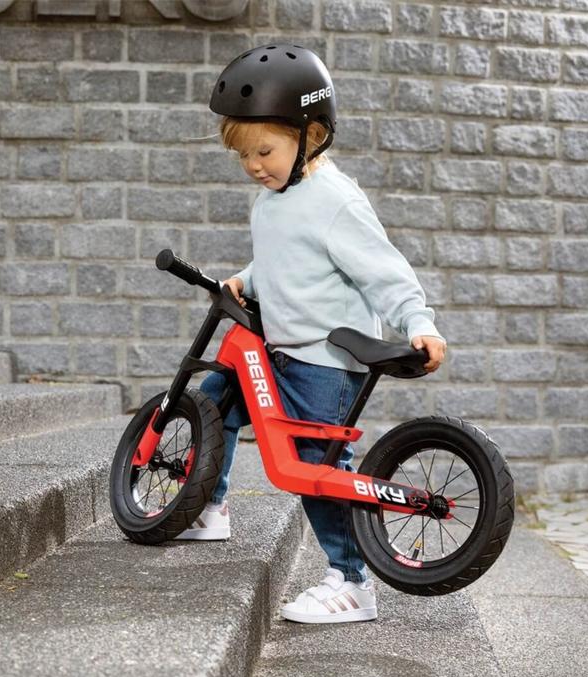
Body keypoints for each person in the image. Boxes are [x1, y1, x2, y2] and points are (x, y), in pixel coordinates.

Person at [178, 44, 447, 624]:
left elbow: (384, 270)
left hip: (325, 363)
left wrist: (418, 322)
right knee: (217, 398)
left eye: (265, 151)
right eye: (243, 156)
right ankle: (209, 502)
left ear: (313, 135)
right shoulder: (275, 198)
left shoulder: (335, 201)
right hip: (282, 352)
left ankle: (352, 583)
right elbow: (286, 259)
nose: (254, 166)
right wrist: (247, 280)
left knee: (317, 470)